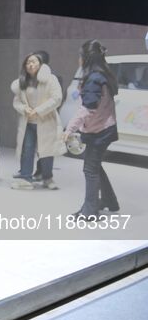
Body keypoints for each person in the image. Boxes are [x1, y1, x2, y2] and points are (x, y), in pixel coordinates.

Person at [64, 40, 119, 219]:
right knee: (95, 167)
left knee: (90, 170)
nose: (78, 59)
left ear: (87, 58)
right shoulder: (104, 74)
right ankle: (109, 201)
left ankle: (89, 212)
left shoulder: (94, 78)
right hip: (104, 128)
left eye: (80, 56)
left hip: (99, 132)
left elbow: (88, 108)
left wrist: (69, 129)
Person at [11, 53, 65, 190]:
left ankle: (47, 178)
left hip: (46, 121)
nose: (30, 64)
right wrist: (24, 109)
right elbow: (16, 102)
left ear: (40, 64)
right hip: (28, 122)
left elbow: (57, 98)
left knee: (46, 151)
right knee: (27, 150)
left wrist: (39, 110)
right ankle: (26, 178)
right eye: (28, 62)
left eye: (33, 62)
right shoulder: (22, 82)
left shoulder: (51, 79)